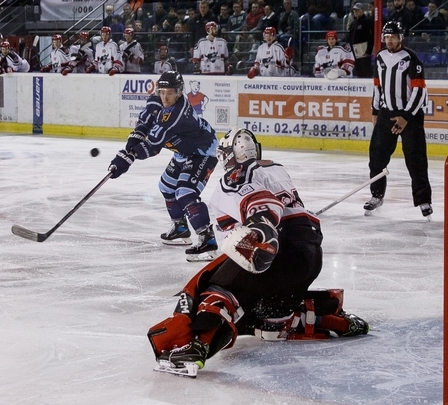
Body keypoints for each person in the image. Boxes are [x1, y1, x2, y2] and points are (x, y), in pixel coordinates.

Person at [148, 128, 369, 377]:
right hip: (310, 254)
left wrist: (261, 230)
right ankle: (331, 318)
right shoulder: (276, 169)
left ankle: (196, 348)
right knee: (268, 315)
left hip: (276, 250)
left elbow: (262, 206)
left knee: (215, 289)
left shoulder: (234, 177)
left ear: (232, 154)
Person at [108, 71, 220, 261]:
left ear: (179, 92)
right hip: (182, 151)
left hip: (202, 151)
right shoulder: (156, 100)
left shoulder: (177, 115)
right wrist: (130, 145)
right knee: (166, 187)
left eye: (170, 92)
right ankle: (180, 228)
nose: (165, 97)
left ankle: (207, 239)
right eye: (162, 92)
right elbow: (145, 122)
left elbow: (152, 146)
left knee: (185, 192)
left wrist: (127, 158)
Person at [366, 21, 432, 219]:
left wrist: (405, 117)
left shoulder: (411, 58)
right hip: (386, 114)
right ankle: (377, 195)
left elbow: (420, 91)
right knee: (376, 158)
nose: (389, 40)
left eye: (393, 36)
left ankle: (423, 201)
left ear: (400, 38)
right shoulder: (380, 57)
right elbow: (377, 87)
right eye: (386, 37)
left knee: (416, 160)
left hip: (410, 117)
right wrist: (376, 112)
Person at [348, 3, 374, 78]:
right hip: (354, 49)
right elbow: (350, 36)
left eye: (357, 10)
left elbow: (371, 37)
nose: (355, 12)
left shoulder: (367, 21)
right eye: (354, 11)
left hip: (363, 48)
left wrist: (368, 51)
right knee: (358, 68)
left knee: (365, 69)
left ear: (362, 11)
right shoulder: (353, 23)